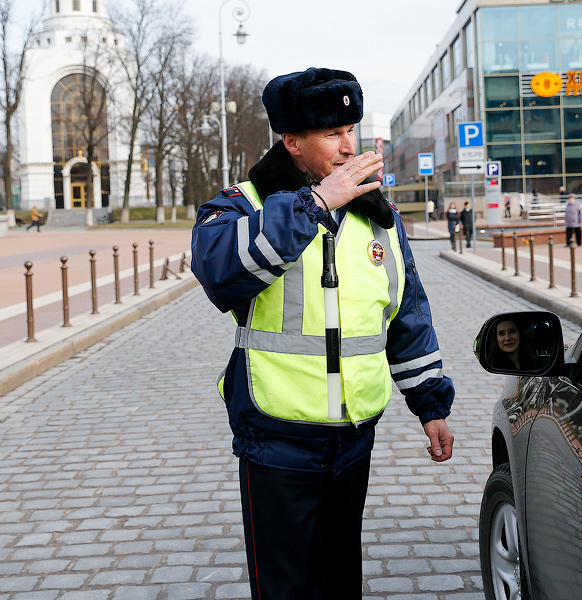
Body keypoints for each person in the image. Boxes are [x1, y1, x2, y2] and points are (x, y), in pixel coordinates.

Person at [191, 67, 455, 600]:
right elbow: (219, 272)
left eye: (351, 131)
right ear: (291, 141)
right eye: (332, 134)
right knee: (287, 587)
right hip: (277, 435)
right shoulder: (240, 206)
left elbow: (406, 314)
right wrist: (314, 204)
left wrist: (431, 405)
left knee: (340, 580)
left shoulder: (377, 215)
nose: (348, 146)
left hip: (354, 435)